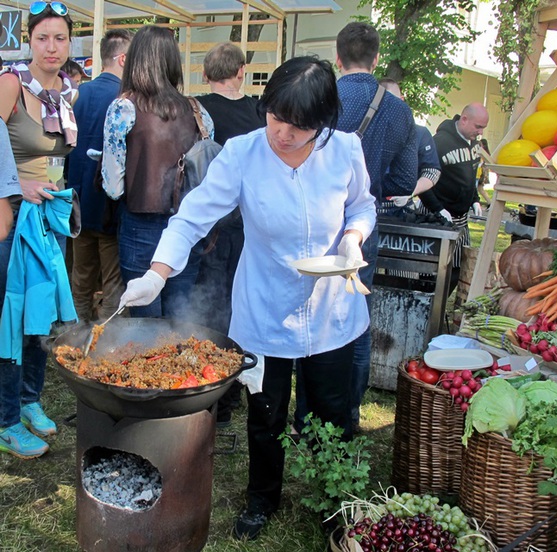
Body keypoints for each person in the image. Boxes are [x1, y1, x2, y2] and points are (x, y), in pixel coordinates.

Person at [117, 56, 376, 540]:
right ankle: (263, 497)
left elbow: (362, 203)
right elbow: (193, 216)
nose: (282, 133)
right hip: (265, 305)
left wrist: (354, 237)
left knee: (332, 408)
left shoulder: (346, 150)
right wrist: (158, 271)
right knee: (265, 409)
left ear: (322, 124)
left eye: (298, 127)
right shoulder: (242, 154)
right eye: (276, 117)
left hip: (332, 308)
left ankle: (334, 496)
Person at [0, 0, 77, 458]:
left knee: (40, 317)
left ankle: (29, 399)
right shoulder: (10, 83)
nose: (52, 46)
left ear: (71, 43)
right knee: (10, 319)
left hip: (50, 221)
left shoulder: (70, 91)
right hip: (12, 220)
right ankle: (6, 418)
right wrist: (12, 188)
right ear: (29, 40)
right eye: (43, 37)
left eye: (61, 38)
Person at [331, 22, 418, 432]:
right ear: (377, 59)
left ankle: (307, 414)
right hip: (364, 226)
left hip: (315, 220)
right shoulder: (401, 112)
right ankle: (348, 414)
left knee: (308, 313)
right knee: (356, 316)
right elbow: (403, 183)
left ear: (338, 57)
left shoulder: (323, 97)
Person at [101, 25, 213, 319]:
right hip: (189, 228)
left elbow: (113, 186)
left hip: (141, 227)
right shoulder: (198, 110)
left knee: (144, 324)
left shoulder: (123, 107)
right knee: (182, 319)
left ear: (136, 58)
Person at [194, 42, 266, 427]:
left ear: (206, 73)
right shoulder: (259, 114)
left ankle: (210, 390)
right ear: (241, 71)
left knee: (209, 304)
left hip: (207, 224)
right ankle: (232, 388)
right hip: (246, 226)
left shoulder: (197, 110)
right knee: (240, 305)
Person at [67, 29, 132, 323]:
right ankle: (104, 344)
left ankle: (75, 337)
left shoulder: (77, 94)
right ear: (123, 58)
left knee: (80, 278)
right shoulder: (126, 100)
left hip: (77, 204)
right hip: (110, 209)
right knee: (113, 284)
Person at [418, 102, 489, 294]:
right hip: (435, 214)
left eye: (483, 128)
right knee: (432, 267)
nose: (480, 132)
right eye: (478, 127)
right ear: (464, 119)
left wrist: (474, 198)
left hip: (460, 218)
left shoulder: (474, 144)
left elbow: (470, 176)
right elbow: (423, 178)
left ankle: (439, 306)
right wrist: (437, 208)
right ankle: (428, 306)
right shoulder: (439, 143)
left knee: (457, 267)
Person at [379, 77, 441, 203]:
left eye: (392, 101)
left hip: (399, 209)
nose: (387, 107)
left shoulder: (420, 133)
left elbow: (432, 171)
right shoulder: (367, 131)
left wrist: (411, 192)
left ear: (401, 100)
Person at [476, 137, 491, 207]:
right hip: (481, 173)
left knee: (476, 189)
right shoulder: (485, 153)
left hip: (480, 173)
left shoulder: (482, 153)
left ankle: (476, 203)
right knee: (480, 189)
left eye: (480, 144)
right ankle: (490, 203)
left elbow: (480, 163)